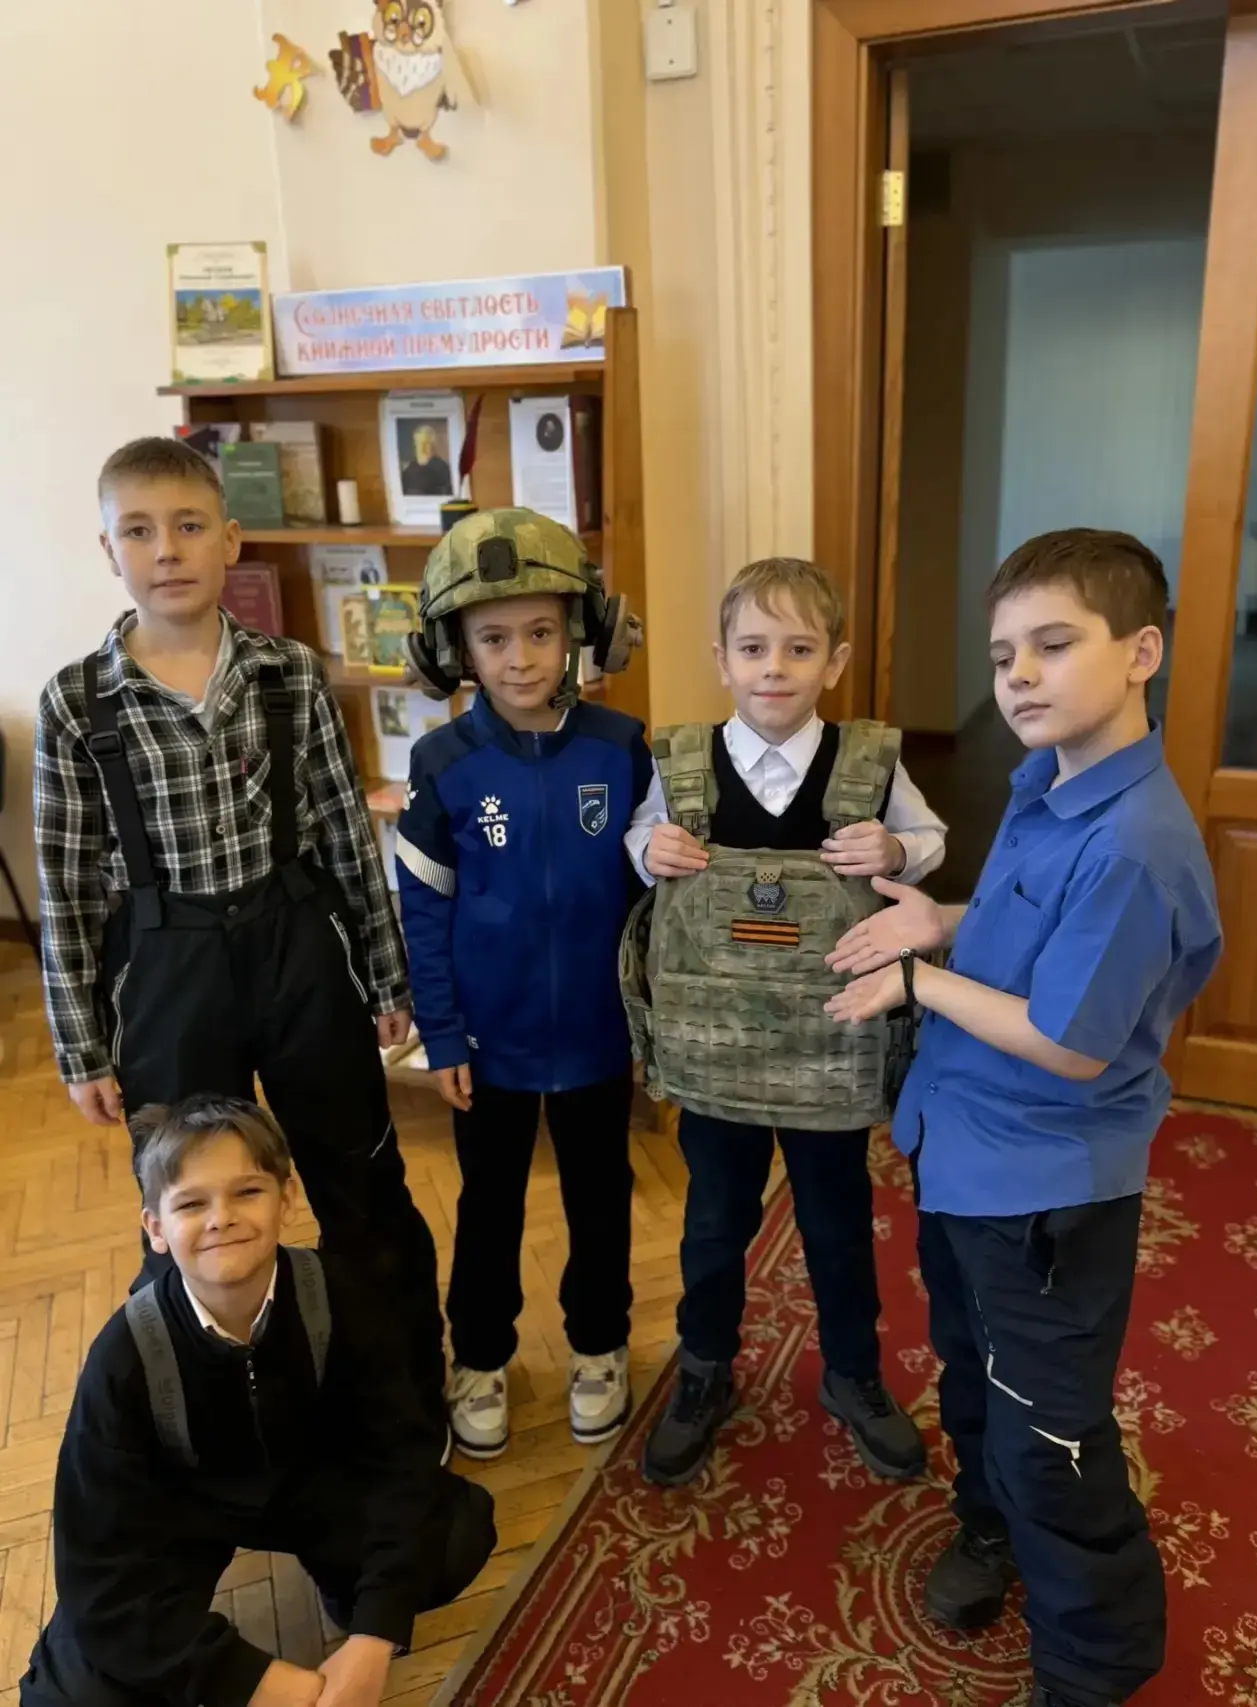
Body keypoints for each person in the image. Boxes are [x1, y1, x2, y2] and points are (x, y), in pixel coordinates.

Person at [825, 529, 1222, 1707]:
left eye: (1053, 645)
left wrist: (915, 980)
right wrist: (941, 923)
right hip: (964, 1153)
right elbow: (1030, 933)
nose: (1019, 676)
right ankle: (986, 1526)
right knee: (969, 1375)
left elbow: (1069, 1039)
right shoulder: (1045, 783)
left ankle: (1092, 1668)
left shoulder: (1134, 842)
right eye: (1003, 655)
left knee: (1049, 1437)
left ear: (1139, 652)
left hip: (1045, 1190)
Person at [33, 436, 446, 1420]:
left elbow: (344, 835)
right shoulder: (77, 702)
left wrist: (386, 977)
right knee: (194, 1201)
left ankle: (401, 1396)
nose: (166, 549)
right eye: (139, 531)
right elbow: (66, 887)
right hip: (165, 970)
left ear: (229, 541)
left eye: (187, 526)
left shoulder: (288, 674)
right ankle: (220, 1416)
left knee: (360, 1182)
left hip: (297, 946)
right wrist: (81, 1045)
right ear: (109, 551)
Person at [623, 556, 948, 1488]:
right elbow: (640, 841)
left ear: (834, 662)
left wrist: (896, 846)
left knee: (837, 1224)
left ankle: (852, 1373)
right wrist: (652, 846)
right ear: (721, 658)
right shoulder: (681, 759)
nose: (774, 667)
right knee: (713, 1223)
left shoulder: (869, 762)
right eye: (754, 648)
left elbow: (930, 840)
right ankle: (704, 1367)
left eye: (799, 649)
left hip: (831, 1049)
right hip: (715, 1056)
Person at [20, 1095, 496, 1707]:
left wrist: (376, 1630)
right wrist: (261, 1683)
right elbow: (101, 1571)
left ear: (287, 1198)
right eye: (191, 1204)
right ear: (155, 1229)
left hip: (310, 1482)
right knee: (69, 1695)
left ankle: (346, 1584)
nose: (221, 1218)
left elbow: (402, 1457)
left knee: (454, 1536)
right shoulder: (123, 1358)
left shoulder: (341, 1295)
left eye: (247, 1192)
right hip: (183, 1508)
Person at [396, 508, 648, 1460]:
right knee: (490, 1206)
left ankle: (600, 1344)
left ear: (582, 628)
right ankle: (480, 1354)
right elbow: (425, 908)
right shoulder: (442, 764)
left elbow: (651, 902)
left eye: (541, 631)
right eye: (493, 637)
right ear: (453, 648)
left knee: (601, 1199)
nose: (520, 657)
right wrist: (442, 1032)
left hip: (598, 1035)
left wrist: (651, 1024)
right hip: (488, 1044)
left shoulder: (623, 747)